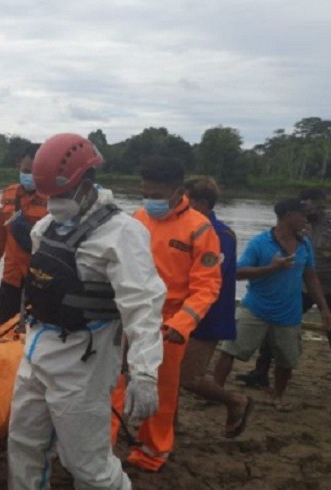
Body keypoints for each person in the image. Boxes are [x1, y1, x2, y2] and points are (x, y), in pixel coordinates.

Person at [7, 133, 165, 490]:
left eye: (62, 194)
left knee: (87, 464)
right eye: (49, 196)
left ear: (87, 184)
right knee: (23, 443)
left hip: (84, 363)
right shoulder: (46, 226)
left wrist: (144, 374)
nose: (55, 203)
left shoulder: (123, 234)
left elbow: (143, 305)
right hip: (36, 351)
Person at [110, 156, 222, 472]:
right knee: (111, 382)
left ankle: (152, 452)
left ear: (176, 191)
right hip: (127, 315)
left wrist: (183, 323)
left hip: (167, 324)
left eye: (157, 195)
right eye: (145, 193)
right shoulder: (137, 218)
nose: (150, 200)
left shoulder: (199, 229)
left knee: (161, 391)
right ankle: (101, 446)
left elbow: (207, 285)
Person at [214, 198, 331, 411]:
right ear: (288, 216)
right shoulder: (260, 242)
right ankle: (215, 391)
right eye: (301, 215)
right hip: (256, 309)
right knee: (230, 351)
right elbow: (237, 273)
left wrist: (323, 308)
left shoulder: (304, 245)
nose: (305, 220)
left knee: (287, 360)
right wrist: (270, 268)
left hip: (289, 313)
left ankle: (277, 396)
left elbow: (311, 277)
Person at [178, 177, 252, 437]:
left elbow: (205, 278)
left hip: (208, 315)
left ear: (201, 203)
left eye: (185, 200)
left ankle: (235, 401)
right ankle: (168, 423)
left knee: (190, 378)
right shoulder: (189, 228)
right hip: (182, 312)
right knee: (168, 373)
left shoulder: (219, 235)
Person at [237, 189, 330, 387]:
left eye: (308, 206)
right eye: (302, 207)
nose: (305, 211)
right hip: (302, 285)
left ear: (320, 206)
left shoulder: (325, 224)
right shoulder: (299, 228)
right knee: (277, 326)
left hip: (327, 284)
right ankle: (260, 373)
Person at [0, 143, 49, 326]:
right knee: (4, 327)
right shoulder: (8, 196)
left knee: (37, 329)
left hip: (41, 279)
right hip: (11, 277)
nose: (29, 176)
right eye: (26, 170)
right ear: (19, 166)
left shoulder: (54, 200)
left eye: (34, 172)